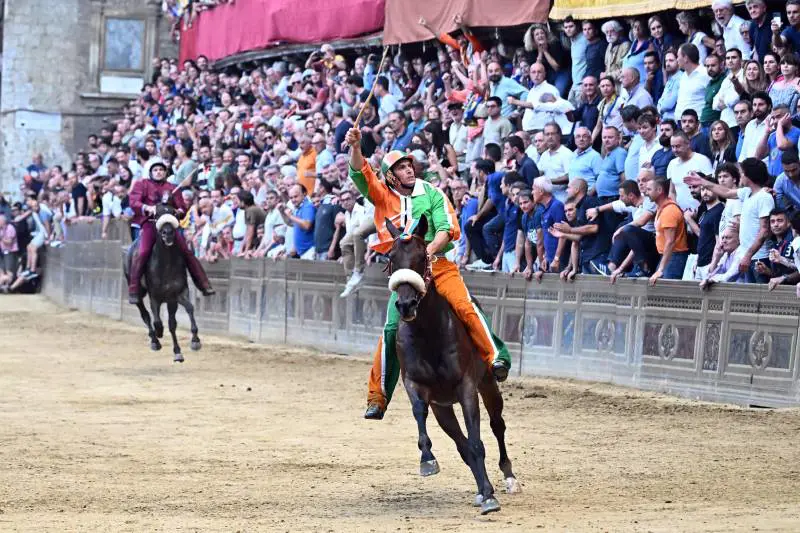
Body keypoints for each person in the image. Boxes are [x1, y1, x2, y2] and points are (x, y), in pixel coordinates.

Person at [344, 128, 511, 420]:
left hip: (438, 265)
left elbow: (447, 229)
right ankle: (378, 397)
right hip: (403, 273)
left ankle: (496, 357)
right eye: (401, 168)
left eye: (410, 166)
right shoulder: (381, 195)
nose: (409, 170)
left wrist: (427, 253)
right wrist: (356, 145)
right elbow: (360, 170)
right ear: (391, 176)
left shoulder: (432, 192)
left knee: (464, 306)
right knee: (391, 329)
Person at [127, 158, 214, 304]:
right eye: (155, 170)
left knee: (187, 252)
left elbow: (182, 207)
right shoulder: (142, 184)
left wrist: (178, 211)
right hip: (151, 224)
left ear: (166, 172)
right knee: (143, 252)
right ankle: (134, 289)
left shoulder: (173, 187)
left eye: (161, 170)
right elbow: (134, 202)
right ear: (150, 172)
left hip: (170, 223)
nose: (158, 172)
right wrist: (147, 208)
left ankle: (204, 284)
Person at [686, 158, 774, 283]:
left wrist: (748, 256)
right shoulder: (746, 193)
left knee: (760, 299)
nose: (740, 176)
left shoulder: (764, 197)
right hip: (746, 256)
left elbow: (764, 231)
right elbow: (726, 192)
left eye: (742, 173)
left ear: (749, 176)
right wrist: (702, 181)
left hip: (759, 257)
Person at [647, 177, 690, 285]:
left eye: (649, 190)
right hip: (668, 256)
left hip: (674, 257)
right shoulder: (662, 208)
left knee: (668, 293)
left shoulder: (669, 210)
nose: (645, 193)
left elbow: (670, 242)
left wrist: (661, 269)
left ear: (659, 190)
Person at [666, 130, 712, 210]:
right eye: (672, 146)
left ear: (688, 144)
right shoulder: (672, 164)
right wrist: (676, 210)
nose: (674, 150)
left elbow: (711, 187)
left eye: (678, 146)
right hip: (681, 215)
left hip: (702, 212)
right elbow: (672, 192)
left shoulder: (702, 160)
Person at [657, 50, 682, 121]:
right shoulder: (670, 79)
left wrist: (660, 109)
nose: (667, 64)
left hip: (674, 121)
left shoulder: (680, 78)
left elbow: (669, 104)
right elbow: (661, 101)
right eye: (666, 61)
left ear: (678, 61)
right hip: (666, 119)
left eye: (671, 60)